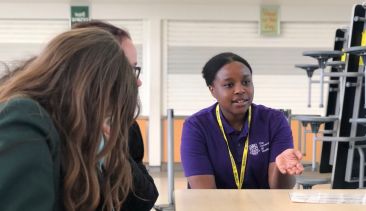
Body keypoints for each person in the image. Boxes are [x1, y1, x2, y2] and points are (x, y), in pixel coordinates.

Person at [0, 28, 138, 210]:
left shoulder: (66, 135)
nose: (103, 124)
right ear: (90, 94)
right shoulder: (26, 119)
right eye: (106, 111)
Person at [180, 52, 304, 189]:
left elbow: (279, 190)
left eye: (246, 82)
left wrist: (283, 170)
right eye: (229, 85)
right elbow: (204, 195)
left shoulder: (274, 121)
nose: (240, 90)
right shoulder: (196, 126)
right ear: (212, 90)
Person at [73, 20, 158, 210]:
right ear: (93, 71)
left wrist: (114, 152)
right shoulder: (49, 129)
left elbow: (145, 199)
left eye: (135, 70)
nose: (138, 82)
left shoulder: (126, 126)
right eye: (129, 69)